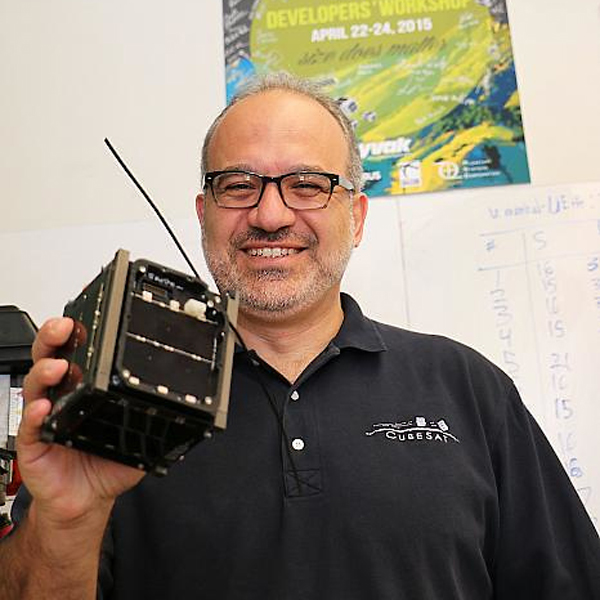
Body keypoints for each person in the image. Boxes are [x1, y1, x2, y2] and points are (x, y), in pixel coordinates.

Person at [1, 73, 599, 599]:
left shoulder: (468, 388)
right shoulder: (117, 412)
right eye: (238, 185)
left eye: (308, 184)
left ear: (356, 216)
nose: (270, 215)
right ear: (204, 214)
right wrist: (66, 518)